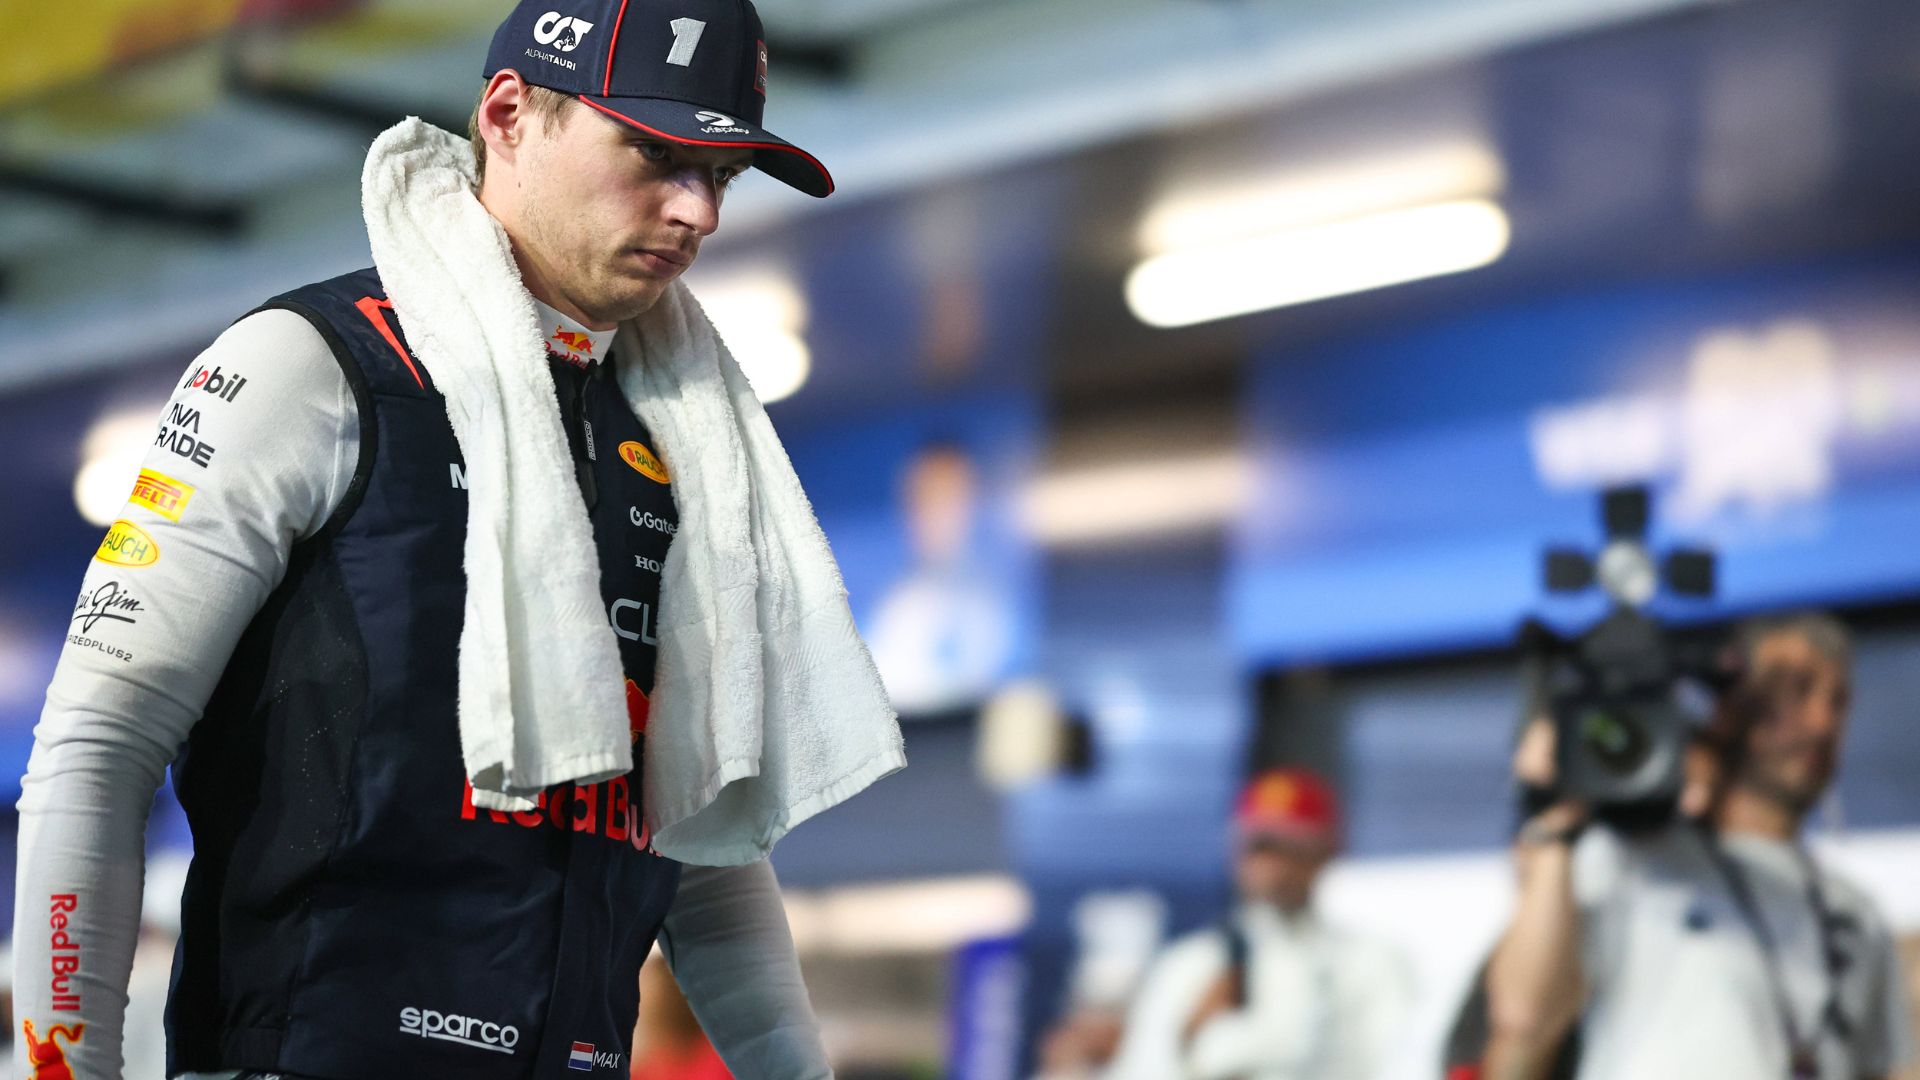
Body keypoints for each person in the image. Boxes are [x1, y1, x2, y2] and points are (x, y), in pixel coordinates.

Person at [11, 1, 906, 1076]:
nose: (697, 210)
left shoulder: (691, 441)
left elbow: (697, 840)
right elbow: (96, 748)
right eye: (657, 153)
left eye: (722, 175)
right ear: (509, 113)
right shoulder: (310, 367)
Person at [1482, 613, 1916, 1080]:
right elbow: (1523, 1022)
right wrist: (1555, 823)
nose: (1820, 722)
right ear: (1729, 705)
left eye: (1839, 701)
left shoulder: (1855, 911)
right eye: (1794, 691)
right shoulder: (1632, 861)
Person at [1104, 768, 1414, 1080]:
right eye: (1259, 847)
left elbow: (1404, 1064)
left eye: (1291, 848)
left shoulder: (1372, 963)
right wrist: (1190, 1034)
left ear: (1325, 853)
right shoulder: (1191, 964)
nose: (1272, 865)